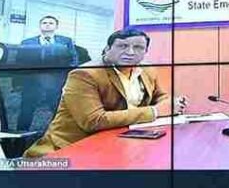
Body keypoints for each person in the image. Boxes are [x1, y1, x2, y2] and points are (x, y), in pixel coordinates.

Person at [24, 28, 187, 157]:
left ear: (145, 52)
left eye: (138, 47)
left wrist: (171, 104)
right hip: (69, 150)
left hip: (119, 141)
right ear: (107, 49)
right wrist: (155, 111)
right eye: (122, 46)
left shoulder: (146, 69)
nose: (130, 52)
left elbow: (160, 96)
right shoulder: (85, 74)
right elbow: (94, 121)